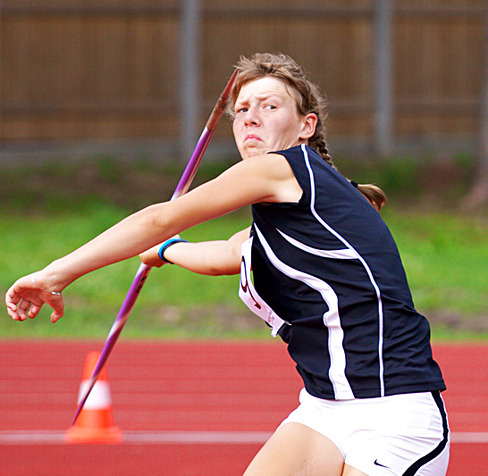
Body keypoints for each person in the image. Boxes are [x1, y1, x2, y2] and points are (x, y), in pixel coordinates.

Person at [5, 53, 449, 476]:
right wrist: (164, 251)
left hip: (395, 413)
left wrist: (55, 274)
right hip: (324, 410)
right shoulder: (295, 215)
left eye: (269, 106)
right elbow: (225, 254)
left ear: (305, 127)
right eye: (241, 110)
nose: (251, 117)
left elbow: (159, 217)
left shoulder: (286, 169)